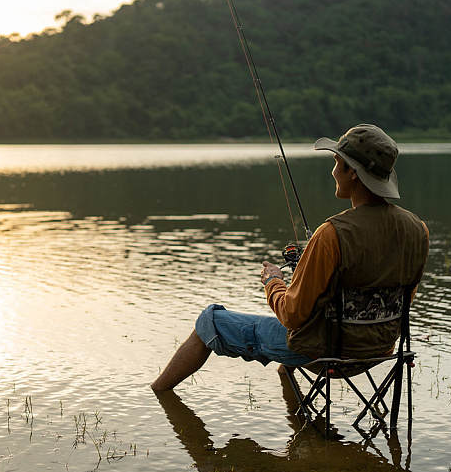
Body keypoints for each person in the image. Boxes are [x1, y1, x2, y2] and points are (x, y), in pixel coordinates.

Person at [151, 124, 429, 392]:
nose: (333, 172)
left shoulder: (332, 234)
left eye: (336, 162)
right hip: (379, 351)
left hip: (326, 353)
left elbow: (292, 316)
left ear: (353, 173)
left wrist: (273, 281)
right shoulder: (419, 231)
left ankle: (157, 394)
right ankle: (291, 395)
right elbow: (396, 301)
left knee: (209, 321)